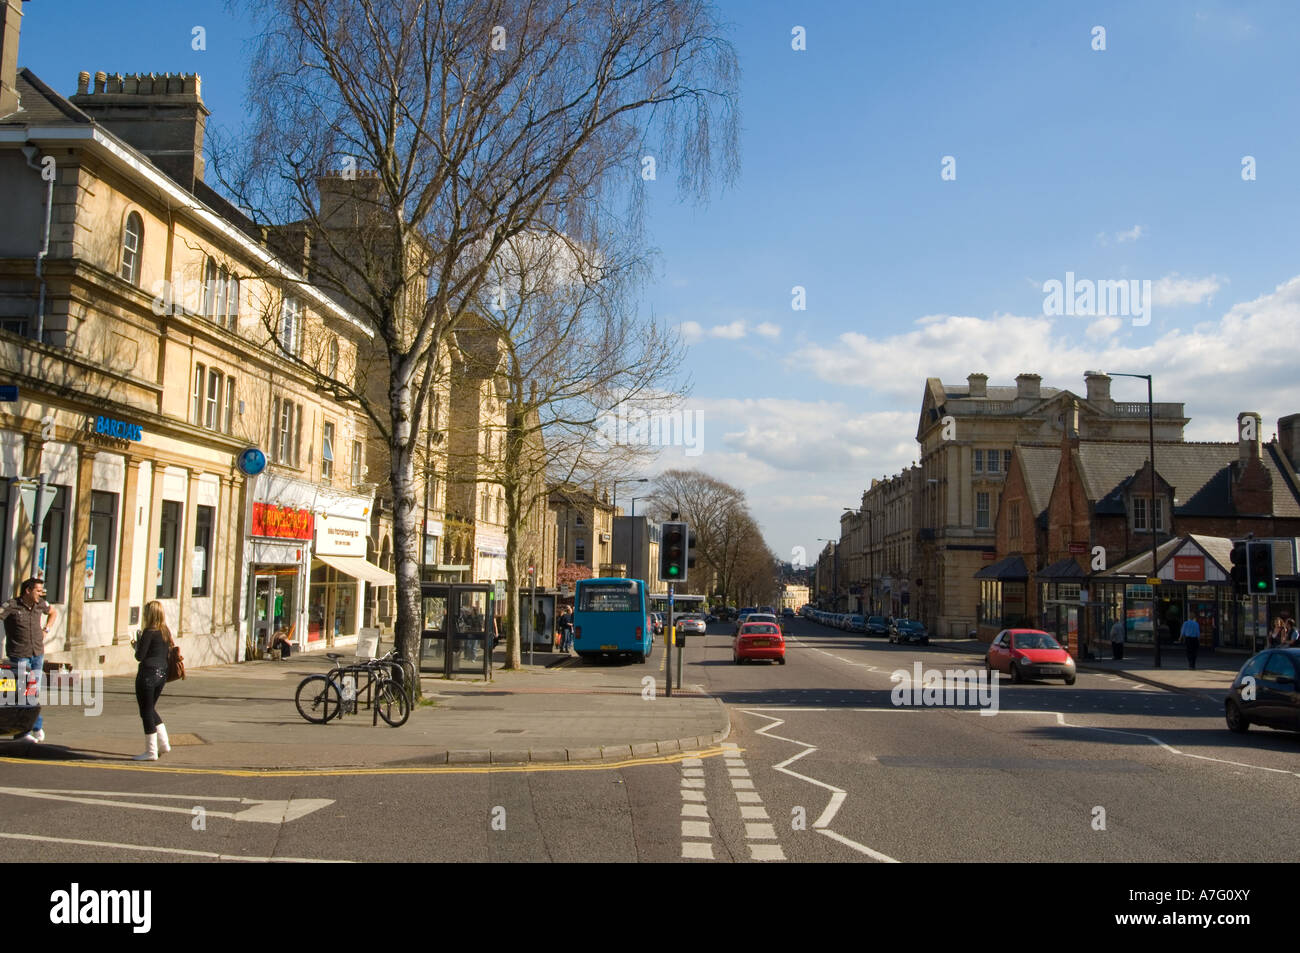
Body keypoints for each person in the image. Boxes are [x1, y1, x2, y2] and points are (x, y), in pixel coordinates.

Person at [1, 577, 57, 743]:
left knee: (32, 692)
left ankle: (33, 727)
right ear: (28, 590)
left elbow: (53, 612)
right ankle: (25, 731)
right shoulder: (11, 605)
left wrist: (46, 629)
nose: (41, 594)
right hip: (19, 655)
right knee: (23, 693)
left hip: (37, 654)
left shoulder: (40, 604)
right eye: (38, 591)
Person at [132, 600, 173, 761]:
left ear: (149, 614)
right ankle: (164, 744)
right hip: (162, 673)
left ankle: (151, 751)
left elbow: (140, 656)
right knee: (151, 708)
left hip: (147, 674)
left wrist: (136, 646)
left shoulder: (149, 631)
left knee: (146, 711)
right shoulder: (165, 631)